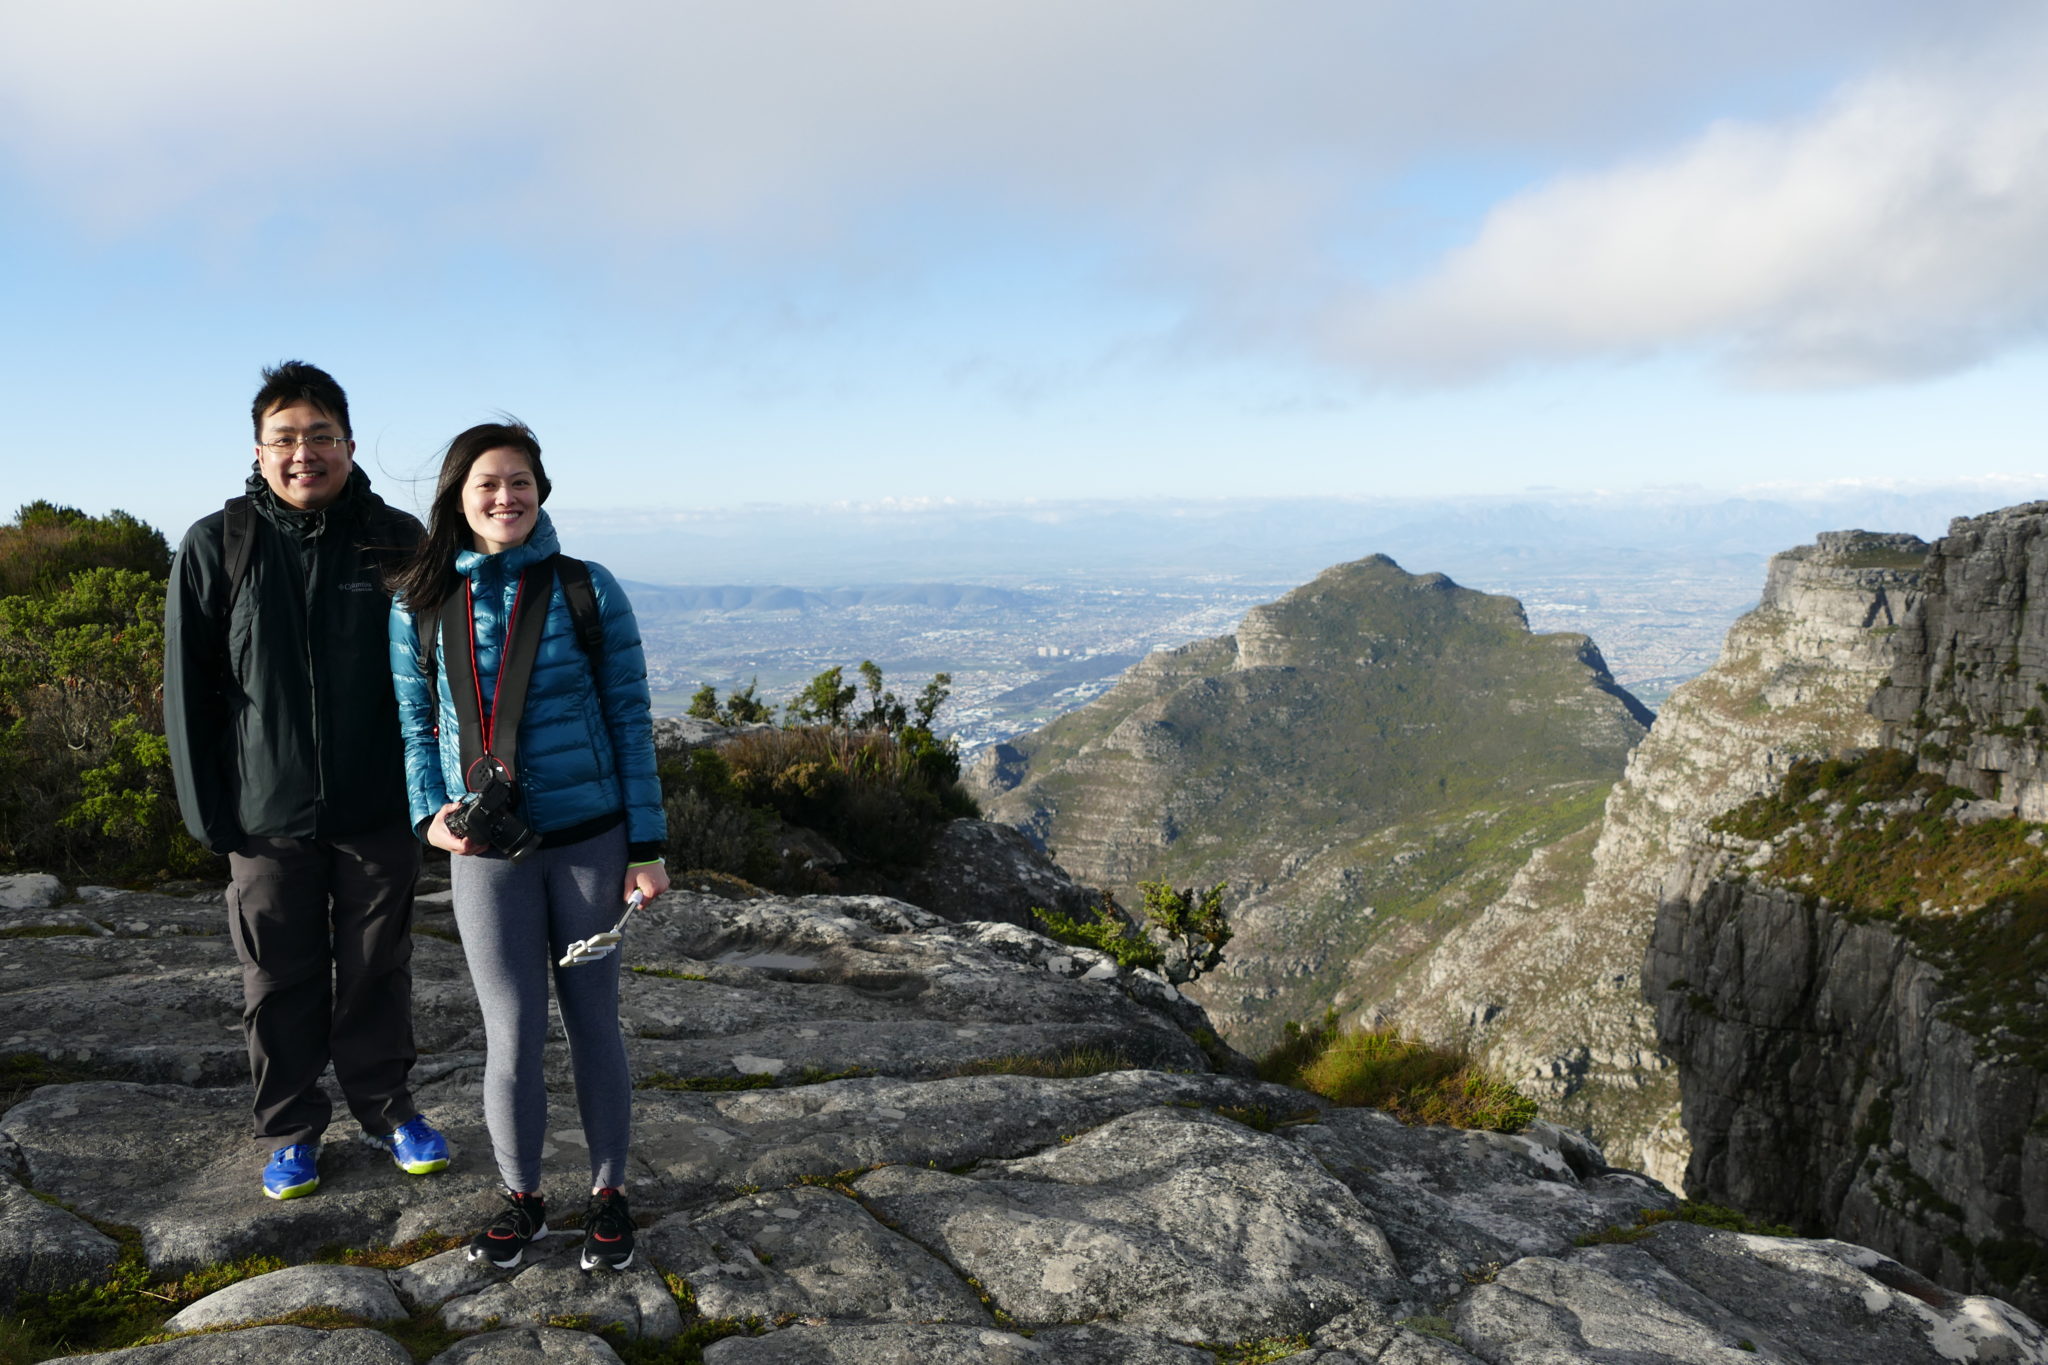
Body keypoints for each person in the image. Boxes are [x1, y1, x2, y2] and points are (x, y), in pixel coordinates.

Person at [387, 420, 668, 1272]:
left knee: (593, 1023)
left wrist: (647, 847)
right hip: (484, 851)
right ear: (458, 496)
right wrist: (427, 814)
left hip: (590, 840)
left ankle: (609, 1194)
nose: (506, 497)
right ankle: (524, 1199)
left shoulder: (587, 588)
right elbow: (412, 725)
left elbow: (630, 719)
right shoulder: (420, 601)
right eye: (488, 483)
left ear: (541, 491)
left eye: (520, 482)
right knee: (509, 1031)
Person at [165, 361, 450, 1199]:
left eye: (320, 436)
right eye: (285, 438)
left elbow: (437, 677)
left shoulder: (396, 538)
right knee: (277, 978)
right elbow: (189, 690)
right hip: (264, 813)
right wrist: (209, 815)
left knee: (376, 969)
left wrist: (434, 799)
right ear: (258, 451)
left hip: (378, 806)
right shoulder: (217, 543)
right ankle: (290, 1129)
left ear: (348, 445)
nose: (303, 453)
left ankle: (388, 1110)